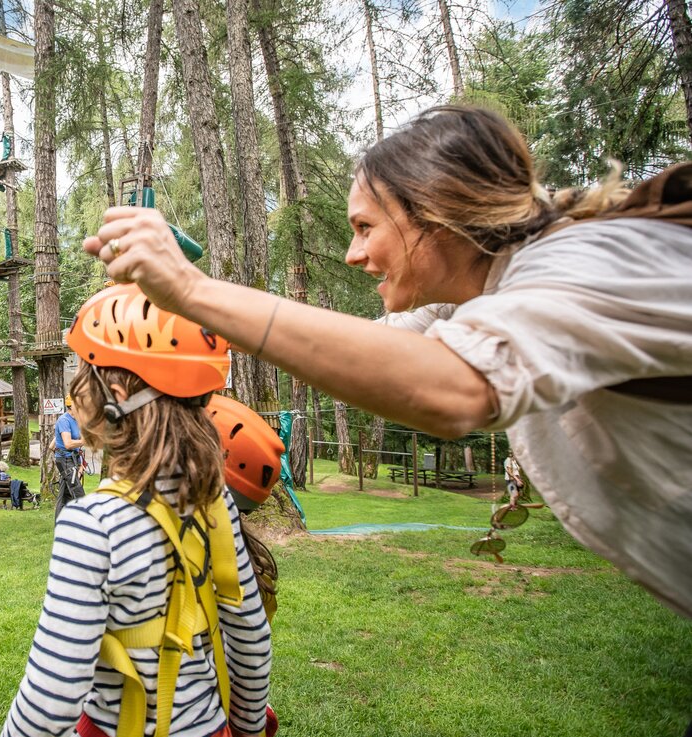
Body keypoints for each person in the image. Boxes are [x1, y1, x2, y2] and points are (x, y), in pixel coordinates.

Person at [83, 105, 692, 621]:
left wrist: (191, 290)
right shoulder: (485, 294)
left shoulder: (580, 266)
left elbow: (453, 389)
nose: (353, 254)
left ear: (435, 210)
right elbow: (363, 348)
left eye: (365, 227)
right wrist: (187, 323)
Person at [0, 284, 272, 737]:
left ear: (116, 393)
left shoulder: (91, 525)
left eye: (84, 371)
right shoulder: (214, 499)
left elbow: (51, 701)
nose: (74, 387)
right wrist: (248, 731)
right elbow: (250, 636)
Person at [52, 395, 85, 518]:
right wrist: (85, 441)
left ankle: (59, 525)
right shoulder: (64, 420)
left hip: (73, 459)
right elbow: (68, 443)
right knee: (78, 491)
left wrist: (80, 462)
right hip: (65, 460)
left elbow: (52, 445)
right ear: (72, 406)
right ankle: (88, 524)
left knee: (64, 494)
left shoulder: (76, 419)